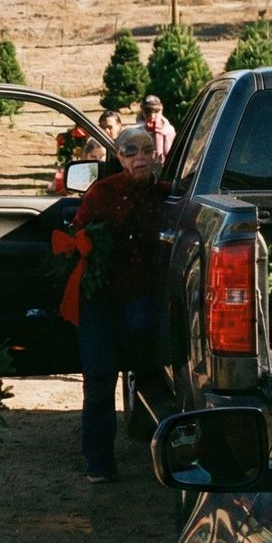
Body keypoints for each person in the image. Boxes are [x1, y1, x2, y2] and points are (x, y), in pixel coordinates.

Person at [69, 125, 167, 483]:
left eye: (146, 150)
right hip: (100, 299)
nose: (140, 158)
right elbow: (77, 234)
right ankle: (99, 462)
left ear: (157, 154)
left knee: (151, 370)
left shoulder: (166, 195)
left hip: (143, 296)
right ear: (119, 157)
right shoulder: (101, 192)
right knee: (98, 379)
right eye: (131, 152)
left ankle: (163, 444)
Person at [139, 96, 176, 161]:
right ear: (143, 113)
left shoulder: (169, 130)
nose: (152, 116)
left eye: (156, 112)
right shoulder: (139, 132)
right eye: (148, 112)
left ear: (161, 111)